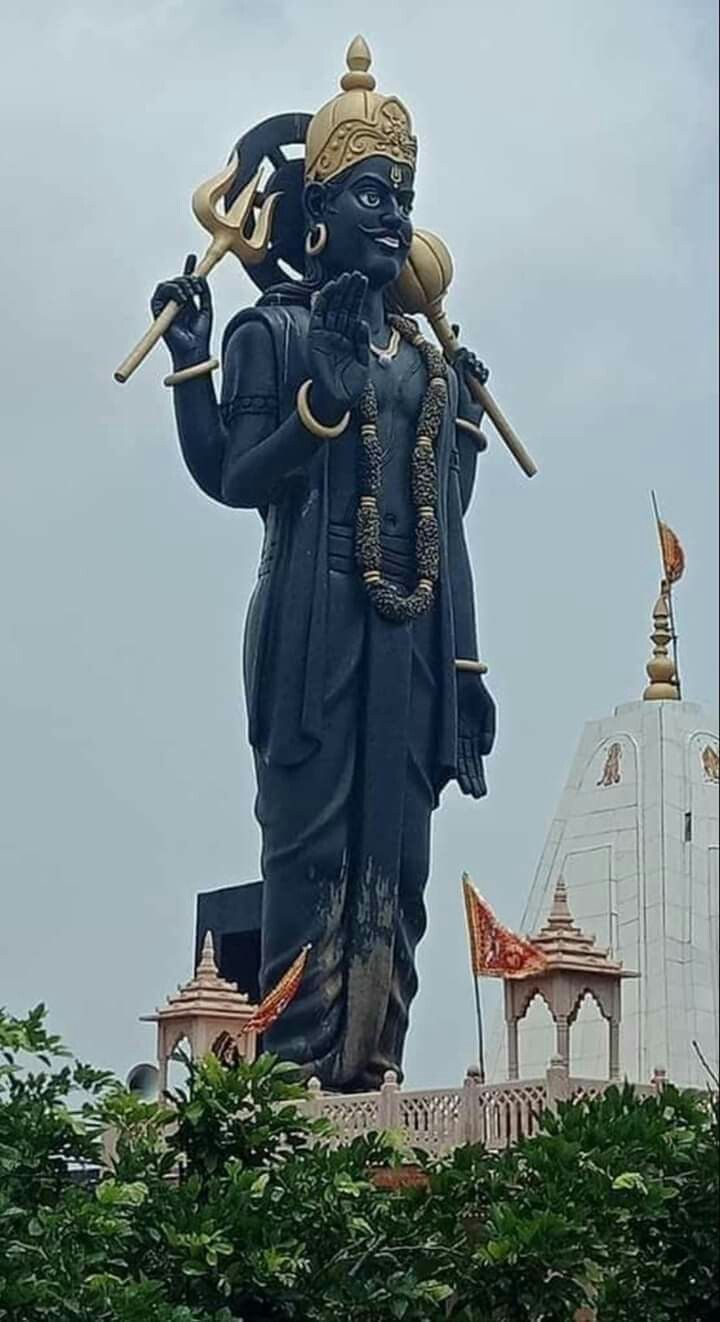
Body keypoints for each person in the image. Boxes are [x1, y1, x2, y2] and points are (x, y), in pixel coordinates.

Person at [152, 38, 496, 1091]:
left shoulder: (427, 361)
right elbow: (234, 475)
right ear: (317, 214)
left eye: (405, 200)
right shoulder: (280, 331)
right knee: (308, 847)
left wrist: (466, 669)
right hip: (313, 615)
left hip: (414, 625)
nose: (392, 218)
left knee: (400, 853)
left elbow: (443, 518)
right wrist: (296, 393)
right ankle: (297, 1074)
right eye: (370, 196)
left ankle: (376, 1059)